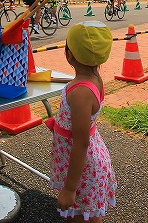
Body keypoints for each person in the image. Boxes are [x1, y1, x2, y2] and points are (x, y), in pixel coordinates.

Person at [48, 21, 117, 222]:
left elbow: (81, 142)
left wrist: (70, 189)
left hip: (83, 170)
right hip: (89, 162)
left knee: (78, 216)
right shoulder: (94, 79)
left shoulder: (80, 92)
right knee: (90, 215)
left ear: (69, 54)